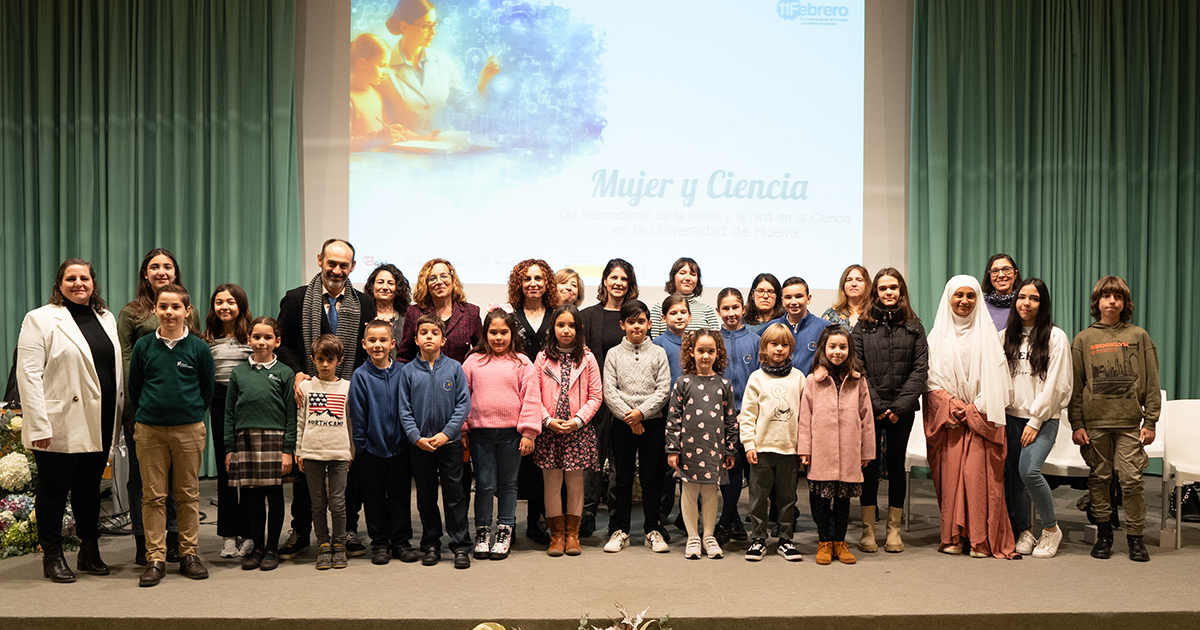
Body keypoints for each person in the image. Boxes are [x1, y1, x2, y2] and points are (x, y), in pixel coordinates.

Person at [16, 259, 123, 582]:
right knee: (54, 489)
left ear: (94, 283)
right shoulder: (40, 319)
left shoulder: (106, 317)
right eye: (71, 278)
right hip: (58, 421)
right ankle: (52, 554)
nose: (79, 284)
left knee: (89, 488)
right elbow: (29, 374)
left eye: (85, 278)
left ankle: (89, 550)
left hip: (100, 419)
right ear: (59, 284)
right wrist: (38, 424)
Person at [276, 238, 375, 560]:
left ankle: (347, 530)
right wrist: (296, 372)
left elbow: (366, 349)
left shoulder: (365, 303)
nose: (336, 270)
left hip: (348, 395)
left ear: (353, 268)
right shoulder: (295, 300)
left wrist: (356, 383)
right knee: (309, 468)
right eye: (331, 263)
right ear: (320, 260)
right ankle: (301, 530)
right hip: (308, 392)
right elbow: (285, 343)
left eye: (343, 265)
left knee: (349, 466)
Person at [923, 276, 1017, 559]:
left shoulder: (989, 336)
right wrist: (952, 405)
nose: (964, 301)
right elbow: (930, 381)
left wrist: (975, 408)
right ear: (948, 298)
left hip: (980, 420)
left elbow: (999, 381)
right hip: (950, 420)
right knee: (951, 480)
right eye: (958, 295)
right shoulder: (935, 337)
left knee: (978, 479)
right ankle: (952, 536)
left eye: (971, 296)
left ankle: (980, 539)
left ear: (978, 299)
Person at [128, 284, 215, 586]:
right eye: (163, 306)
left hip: (189, 429)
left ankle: (189, 554)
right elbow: (135, 388)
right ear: (155, 310)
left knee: (189, 495)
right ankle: (156, 558)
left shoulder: (199, 348)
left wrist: (189, 414)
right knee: (153, 496)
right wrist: (150, 414)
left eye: (176, 307)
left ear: (187, 312)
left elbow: (207, 390)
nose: (169, 313)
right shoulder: (143, 347)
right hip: (150, 430)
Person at [1069, 276, 1160, 562]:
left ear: (1125, 303)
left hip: (1129, 423)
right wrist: (1077, 423)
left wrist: (1151, 422)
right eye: (1106, 296)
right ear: (1096, 302)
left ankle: (1135, 537)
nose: (1112, 301)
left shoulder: (1139, 336)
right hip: (1095, 424)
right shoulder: (1083, 339)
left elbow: (1151, 382)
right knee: (1099, 478)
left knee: (1132, 480)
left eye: (1117, 297)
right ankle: (1104, 534)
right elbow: (1074, 385)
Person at [118, 248, 199, 566]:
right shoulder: (131, 313)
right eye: (154, 267)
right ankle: (144, 540)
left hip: (182, 416)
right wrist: (134, 410)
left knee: (181, 482)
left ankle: (177, 540)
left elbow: (199, 374)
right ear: (145, 274)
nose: (161, 271)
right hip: (142, 413)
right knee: (142, 481)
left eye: (167, 266)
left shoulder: (185, 311)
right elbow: (126, 363)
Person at [851, 268, 927, 554]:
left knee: (896, 467)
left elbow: (920, 370)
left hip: (902, 410)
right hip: (871, 409)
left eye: (893, 288)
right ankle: (868, 530)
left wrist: (898, 406)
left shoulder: (915, 326)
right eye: (883, 288)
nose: (888, 293)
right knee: (869, 467)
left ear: (901, 291)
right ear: (876, 293)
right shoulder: (862, 326)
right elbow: (858, 368)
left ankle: (893, 530)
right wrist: (879, 406)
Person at [462, 309, 542, 560]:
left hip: (511, 435)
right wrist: (463, 429)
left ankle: (505, 531)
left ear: (512, 334)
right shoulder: (473, 361)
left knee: (508, 485)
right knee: (484, 484)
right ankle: (483, 532)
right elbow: (462, 398)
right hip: (481, 434)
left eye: (503, 332)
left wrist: (529, 433)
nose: (498, 338)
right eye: (493, 332)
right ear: (485, 334)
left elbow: (531, 398)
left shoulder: (522, 362)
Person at [1002, 278, 1072, 558]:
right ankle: (1024, 530)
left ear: (1043, 304)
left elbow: (1057, 384)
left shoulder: (1056, 337)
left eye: (1033, 298)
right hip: (1010, 417)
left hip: (1041, 419)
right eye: (1021, 297)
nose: (1026, 303)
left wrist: (1035, 420)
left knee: (1029, 471)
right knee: (1014, 478)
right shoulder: (1003, 336)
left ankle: (1051, 529)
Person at [399, 313, 473, 569]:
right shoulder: (407, 372)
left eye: (434, 333)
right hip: (420, 446)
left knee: (455, 496)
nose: (429, 336)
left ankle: (461, 545)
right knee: (426, 497)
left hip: (449, 444)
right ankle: (431, 543)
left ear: (443, 339)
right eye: (423, 333)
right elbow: (404, 409)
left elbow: (464, 403)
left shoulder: (455, 368)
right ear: (416, 339)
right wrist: (415, 437)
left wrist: (447, 433)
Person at [224, 317, 296, 571]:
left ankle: (272, 548)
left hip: (275, 442)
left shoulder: (285, 373)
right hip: (246, 441)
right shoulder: (239, 372)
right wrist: (230, 448)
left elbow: (291, 415)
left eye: (267, 337)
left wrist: (288, 450)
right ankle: (256, 547)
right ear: (248, 339)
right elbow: (229, 413)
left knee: (274, 498)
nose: (261, 342)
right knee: (252, 498)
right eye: (257, 337)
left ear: (277, 341)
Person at [799, 325, 874, 566]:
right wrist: (805, 449)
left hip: (850, 451)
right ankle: (824, 541)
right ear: (824, 349)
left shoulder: (858, 381)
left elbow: (867, 418)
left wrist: (867, 451)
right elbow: (804, 418)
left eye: (843, 347)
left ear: (850, 350)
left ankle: (840, 542)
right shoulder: (813, 380)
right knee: (821, 499)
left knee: (843, 499)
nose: (837, 351)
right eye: (832, 346)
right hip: (822, 451)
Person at [602, 300, 672, 553]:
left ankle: (652, 529)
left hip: (651, 424)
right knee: (622, 479)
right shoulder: (613, 354)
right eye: (631, 322)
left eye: (641, 321)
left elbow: (664, 389)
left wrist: (641, 414)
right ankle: (621, 530)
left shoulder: (659, 353)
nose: (636, 326)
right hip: (622, 425)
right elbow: (609, 391)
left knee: (651, 479)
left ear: (649, 323)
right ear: (622, 325)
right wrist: (629, 418)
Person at [533, 305, 603, 557]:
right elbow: (533, 395)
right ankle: (557, 535)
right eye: (561, 325)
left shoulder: (587, 358)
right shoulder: (542, 358)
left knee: (575, 484)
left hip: (578, 430)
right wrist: (547, 420)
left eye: (571, 325)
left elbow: (596, 396)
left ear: (579, 329)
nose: (566, 330)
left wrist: (578, 421)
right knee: (552, 484)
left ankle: (572, 535)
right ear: (553, 328)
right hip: (550, 430)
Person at [578, 258, 639, 537]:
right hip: (596, 401)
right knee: (592, 459)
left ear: (630, 284)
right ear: (604, 281)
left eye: (624, 279)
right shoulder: (589, 316)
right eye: (613, 277)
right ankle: (587, 513)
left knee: (620, 462)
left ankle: (617, 516)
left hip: (628, 402)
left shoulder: (635, 315)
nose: (618, 283)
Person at [665, 330, 738, 559]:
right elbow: (673, 417)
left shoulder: (724, 384)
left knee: (710, 491)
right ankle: (693, 537)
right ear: (691, 352)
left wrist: (730, 448)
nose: (705, 356)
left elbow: (730, 418)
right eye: (700, 351)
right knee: (689, 490)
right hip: (688, 449)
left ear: (718, 354)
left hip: (714, 449)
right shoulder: (683, 382)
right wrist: (673, 448)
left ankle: (709, 535)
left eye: (710, 351)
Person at [379, 0, 501, 135]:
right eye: (426, 26)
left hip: (441, 149)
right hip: (402, 150)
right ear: (404, 27)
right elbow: (376, 118)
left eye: (434, 25)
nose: (433, 32)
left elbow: (466, 107)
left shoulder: (443, 62)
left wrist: (483, 80)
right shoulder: (383, 67)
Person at [348, 320, 414, 565]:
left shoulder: (404, 372)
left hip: (399, 448)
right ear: (364, 344)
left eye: (383, 340)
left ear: (393, 344)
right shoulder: (360, 376)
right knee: (373, 499)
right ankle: (380, 543)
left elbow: (409, 409)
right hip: (370, 451)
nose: (378, 345)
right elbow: (358, 414)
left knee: (400, 497)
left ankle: (400, 541)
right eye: (372, 341)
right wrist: (362, 446)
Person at [505, 259, 559, 545]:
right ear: (519, 284)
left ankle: (536, 522)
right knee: (516, 466)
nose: (533, 283)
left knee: (541, 466)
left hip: (550, 400)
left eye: (539, 278)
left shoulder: (557, 315)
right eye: (527, 278)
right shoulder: (510, 318)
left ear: (547, 283)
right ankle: (508, 522)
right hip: (518, 398)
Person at [739, 323, 804, 561]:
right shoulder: (756, 378)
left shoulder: (799, 378)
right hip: (762, 449)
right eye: (774, 344)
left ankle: (785, 539)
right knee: (757, 497)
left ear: (791, 348)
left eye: (784, 345)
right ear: (764, 348)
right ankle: (758, 539)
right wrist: (749, 444)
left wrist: (804, 447)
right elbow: (748, 415)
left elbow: (805, 415)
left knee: (787, 497)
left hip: (789, 449)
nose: (779, 349)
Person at [202, 283, 254, 559]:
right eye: (219, 302)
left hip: (248, 404)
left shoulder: (251, 335)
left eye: (230, 302)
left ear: (241, 305)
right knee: (227, 470)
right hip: (220, 404)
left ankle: (248, 533)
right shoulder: (206, 338)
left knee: (248, 473)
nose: (224, 307)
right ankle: (228, 536)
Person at [295, 335, 354, 570]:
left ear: (339, 360)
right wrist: (299, 450)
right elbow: (300, 421)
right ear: (313, 359)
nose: (325, 365)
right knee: (317, 503)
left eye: (330, 360)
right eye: (320, 359)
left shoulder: (347, 386)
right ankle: (323, 544)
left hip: (340, 453)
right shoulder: (306, 387)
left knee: (338, 503)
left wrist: (351, 451)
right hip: (312, 453)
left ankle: (339, 544)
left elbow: (350, 421)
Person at [714, 287, 760, 543]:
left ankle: (726, 522)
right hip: (718, 417)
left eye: (735, 307)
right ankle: (732, 521)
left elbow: (758, 380)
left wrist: (748, 413)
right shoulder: (713, 340)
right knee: (728, 468)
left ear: (743, 309)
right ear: (718, 311)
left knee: (742, 468)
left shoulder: (754, 341)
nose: (731, 313)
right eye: (725, 308)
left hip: (747, 417)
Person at [398, 258, 481, 364]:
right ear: (426, 284)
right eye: (432, 278)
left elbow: (480, 353)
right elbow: (405, 355)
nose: (439, 281)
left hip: (460, 377)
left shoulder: (471, 312)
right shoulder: (414, 313)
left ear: (453, 279)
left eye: (444, 276)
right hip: (424, 378)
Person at [653, 294, 690, 527]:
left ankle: (686, 513)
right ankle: (663, 508)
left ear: (689, 315)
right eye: (673, 313)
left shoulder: (695, 342)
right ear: (664, 317)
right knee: (667, 464)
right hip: (666, 411)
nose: (679, 317)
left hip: (694, 411)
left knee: (691, 462)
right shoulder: (657, 344)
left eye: (683, 312)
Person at [349, 33, 414, 151]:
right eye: (381, 65)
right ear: (362, 63)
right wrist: (378, 138)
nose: (385, 72)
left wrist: (420, 137)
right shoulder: (349, 98)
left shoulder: (376, 95)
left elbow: (388, 128)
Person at [649, 257, 720, 337]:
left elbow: (716, 341)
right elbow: (654, 344)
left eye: (693, 274)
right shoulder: (658, 309)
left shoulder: (707, 310)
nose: (688, 278)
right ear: (673, 277)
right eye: (682, 273)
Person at [768, 276, 824, 376]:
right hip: (779, 389)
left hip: (813, 388)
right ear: (782, 301)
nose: (793, 302)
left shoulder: (824, 328)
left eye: (798, 296)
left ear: (808, 298)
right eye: (788, 297)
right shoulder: (771, 328)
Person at [364, 263, 412, 355]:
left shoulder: (407, 318)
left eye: (390, 283)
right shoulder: (364, 316)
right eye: (380, 282)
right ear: (372, 287)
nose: (385, 287)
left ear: (398, 288)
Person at [821, 264, 871, 332]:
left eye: (859, 280)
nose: (853, 284)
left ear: (867, 284)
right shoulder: (831, 314)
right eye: (849, 280)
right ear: (843, 285)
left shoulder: (873, 313)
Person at [981, 254, 1022, 332]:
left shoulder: (1023, 304)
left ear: (1015, 274)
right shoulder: (981, 305)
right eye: (995, 271)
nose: (1001, 275)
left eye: (1006, 269)